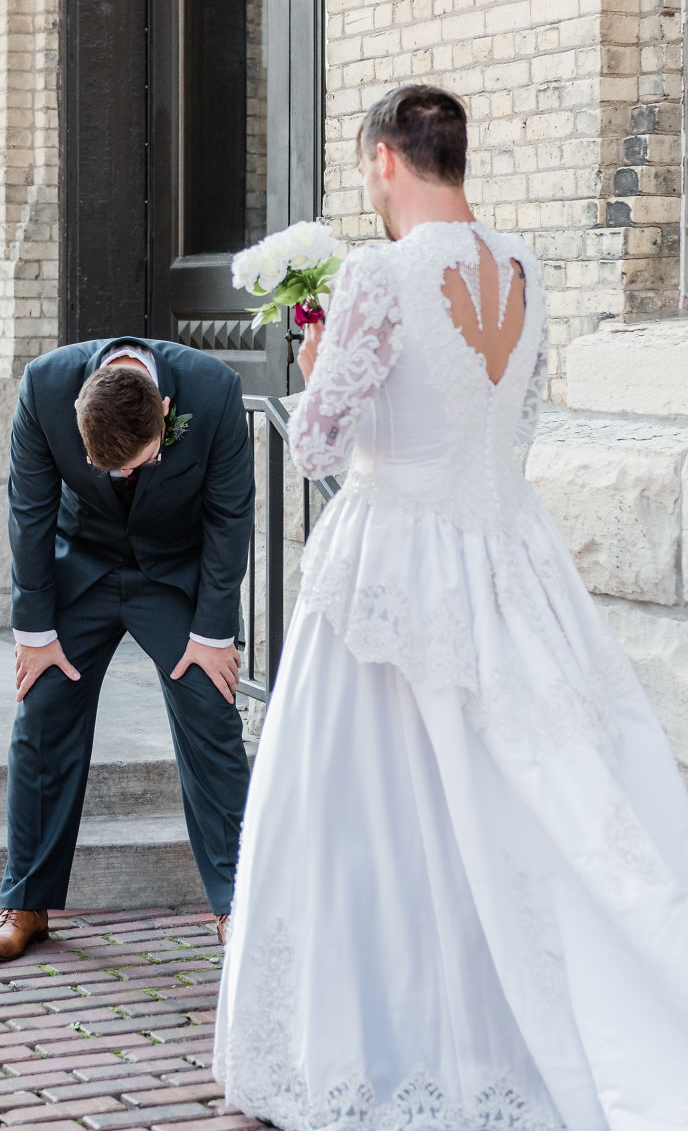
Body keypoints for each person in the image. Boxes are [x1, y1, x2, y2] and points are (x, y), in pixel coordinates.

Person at [213, 86, 688, 1130]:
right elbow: (512, 417)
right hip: (510, 552)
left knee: (366, 811)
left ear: (385, 158)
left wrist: (311, 353)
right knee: (524, 794)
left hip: (393, 558)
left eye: (363, 164)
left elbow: (321, 443)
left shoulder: (379, 272)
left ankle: (387, 1046)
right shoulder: (523, 262)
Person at [0, 337, 254, 962]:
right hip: (84, 569)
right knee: (41, 712)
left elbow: (230, 516)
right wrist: (35, 632)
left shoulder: (215, 390)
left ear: (167, 409)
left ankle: (240, 905)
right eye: (109, 467)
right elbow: (29, 511)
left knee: (212, 715)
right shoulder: (44, 387)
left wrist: (214, 635)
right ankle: (25, 903)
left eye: (137, 461)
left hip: (173, 577)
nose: (123, 477)